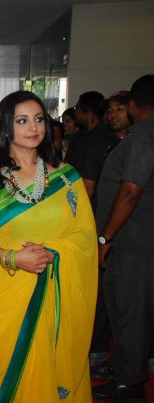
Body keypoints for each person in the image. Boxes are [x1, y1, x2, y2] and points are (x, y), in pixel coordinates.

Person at [0, 91, 98, 402]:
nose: (33, 127)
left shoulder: (67, 177)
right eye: (22, 121)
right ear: (5, 129)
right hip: (2, 291)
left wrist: (54, 252)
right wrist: (13, 258)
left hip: (55, 289)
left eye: (38, 119)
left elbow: (85, 235)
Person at [92, 74, 154, 402]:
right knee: (123, 308)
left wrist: (105, 238)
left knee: (131, 312)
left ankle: (130, 384)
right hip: (131, 242)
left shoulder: (143, 136)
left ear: (133, 104)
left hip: (134, 243)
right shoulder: (140, 134)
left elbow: (130, 191)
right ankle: (122, 369)